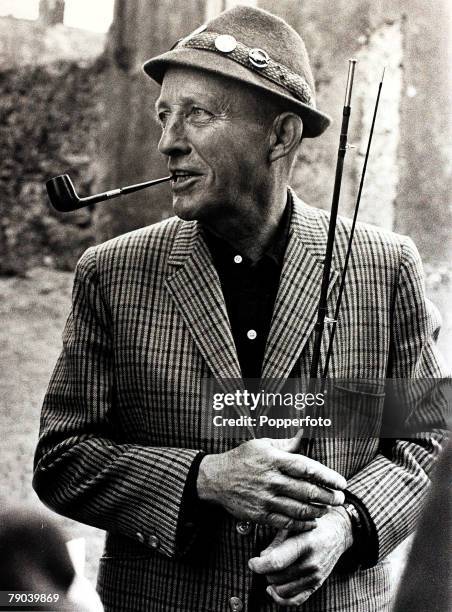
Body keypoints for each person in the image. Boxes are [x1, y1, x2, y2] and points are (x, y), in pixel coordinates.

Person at [33, 6, 447, 611]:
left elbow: (427, 436)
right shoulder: (111, 273)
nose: (167, 142)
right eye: (164, 115)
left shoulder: (384, 267)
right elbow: (62, 458)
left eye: (197, 114)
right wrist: (204, 479)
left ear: (280, 136)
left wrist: (346, 527)